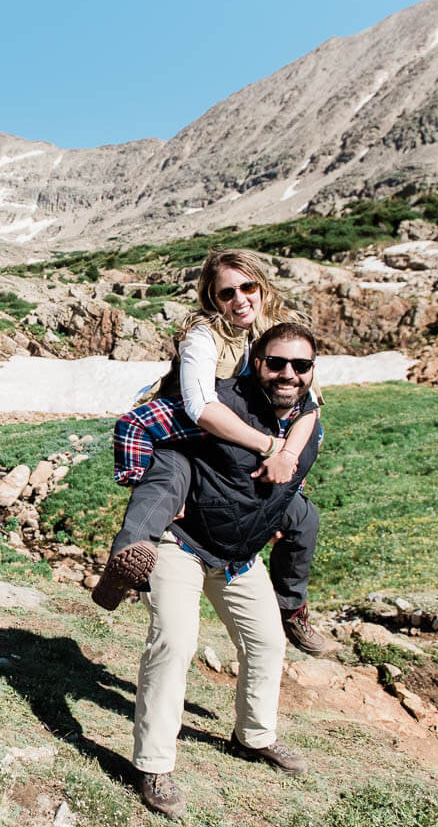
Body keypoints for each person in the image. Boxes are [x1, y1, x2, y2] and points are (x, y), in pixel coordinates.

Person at [92, 249, 330, 655]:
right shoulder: (205, 336)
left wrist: (287, 459)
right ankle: (127, 559)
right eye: (227, 293)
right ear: (211, 298)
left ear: (262, 287)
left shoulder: (280, 338)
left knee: (303, 519)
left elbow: (310, 408)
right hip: (187, 434)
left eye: (248, 287)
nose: (240, 299)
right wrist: (272, 446)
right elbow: (199, 408)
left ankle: (292, 608)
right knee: (169, 482)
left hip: (241, 445)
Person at [129, 323, 323, 818]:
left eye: (300, 366)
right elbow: (152, 434)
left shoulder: (308, 423)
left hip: (240, 555)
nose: (287, 374)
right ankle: (154, 765)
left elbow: (288, 485)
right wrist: (161, 493)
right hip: (185, 543)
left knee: (267, 643)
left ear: (311, 372)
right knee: (175, 640)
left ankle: (252, 738)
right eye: (276, 362)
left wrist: (274, 518)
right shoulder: (222, 404)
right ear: (256, 361)